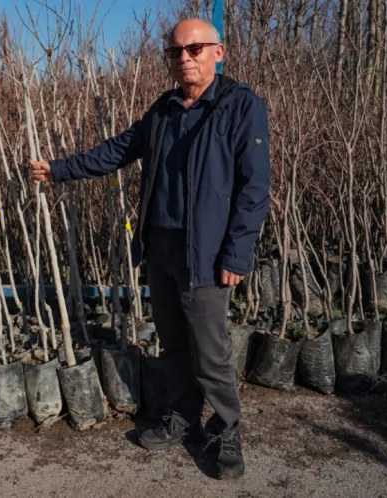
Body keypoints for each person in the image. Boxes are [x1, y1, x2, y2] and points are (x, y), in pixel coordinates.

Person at [31, 19, 270, 480]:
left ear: (217, 53)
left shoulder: (240, 106)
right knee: (174, 341)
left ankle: (227, 430)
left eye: (195, 49)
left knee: (210, 348)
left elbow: (255, 188)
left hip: (206, 252)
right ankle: (183, 416)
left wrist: (238, 254)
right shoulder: (164, 109)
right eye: (175, 51)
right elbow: (120, 148)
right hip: (160, 246)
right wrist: (60, 170)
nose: (184, 58)